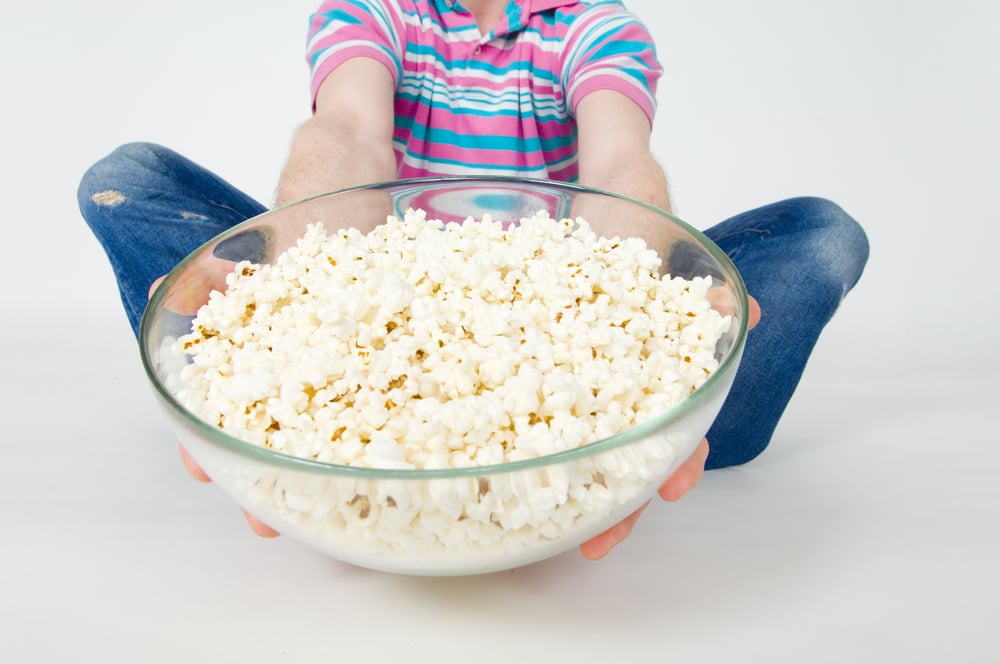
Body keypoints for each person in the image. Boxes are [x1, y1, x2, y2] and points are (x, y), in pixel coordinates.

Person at [78, 0, 868, 561]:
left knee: (819, 236)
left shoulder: (595, 24)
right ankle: (236, 372)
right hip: (374, 298)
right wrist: (292, 280)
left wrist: (652, 296)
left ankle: (674, 419)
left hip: (560, 322)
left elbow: (617, 166)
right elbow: (349, 132)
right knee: (129, 177)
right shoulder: (380, 11)